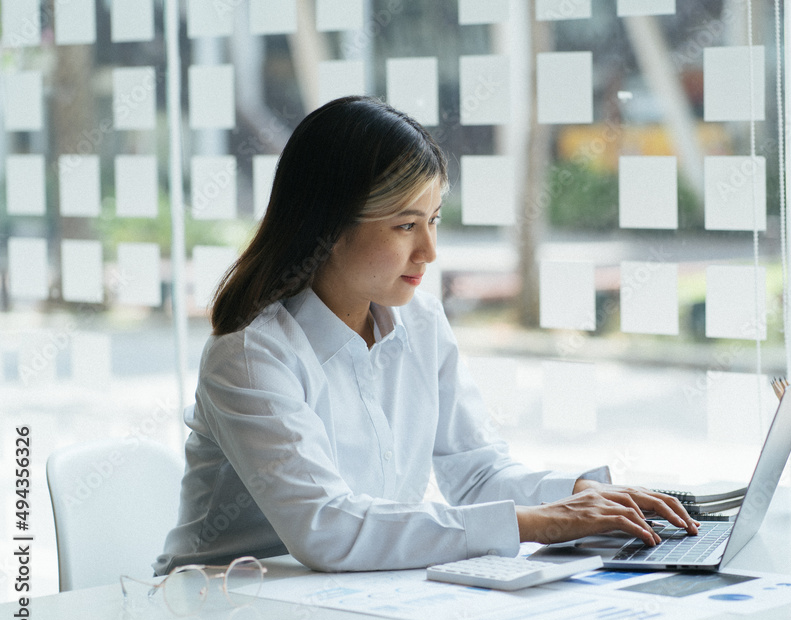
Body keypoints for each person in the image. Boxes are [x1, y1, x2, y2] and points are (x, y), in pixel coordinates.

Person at [154, 96, 697, 576]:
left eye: (433, 220)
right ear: (328, 227)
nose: (429, 252)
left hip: (357, 599)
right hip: (222, 611)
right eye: (405, 225)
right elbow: (326, 528)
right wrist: (538, 523)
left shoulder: (420, 322)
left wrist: (580, 496)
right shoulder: (251, 355)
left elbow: (477, 472)